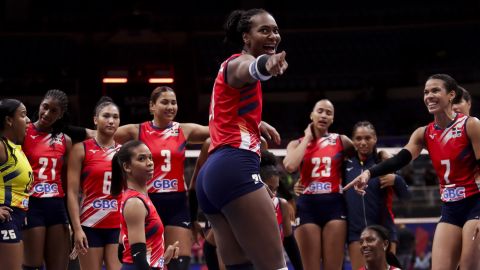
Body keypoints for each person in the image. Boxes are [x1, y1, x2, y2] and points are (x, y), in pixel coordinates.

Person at [345, 74, 480, 269]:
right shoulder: (424, 133)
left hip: (475, 204)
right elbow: (400, 159)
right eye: (426, 92)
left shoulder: (471, 125)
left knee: (469, 267)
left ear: (451, 95)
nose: (429, 96)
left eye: (435, 90)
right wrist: (368, 174)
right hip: (450, 207)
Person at [195, 8, 288, 270]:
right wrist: (265, 65)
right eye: (264, 30)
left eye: (276, 30)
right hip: (235, 168)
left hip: (211, 177)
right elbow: (251, 68)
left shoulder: (226, 70)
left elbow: (226, 111)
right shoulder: (238, 62)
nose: (273, 36)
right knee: (275, 266)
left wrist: (255, 122)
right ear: (246, 37)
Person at [114, 86, 209, 270]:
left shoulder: (184, 130)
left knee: (179, 264)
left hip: (177, 203)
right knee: (144, 262)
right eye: (164, 102)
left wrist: (254, 124)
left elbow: (218, 131)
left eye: (173, 102)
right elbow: (101, 135)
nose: (170, 106)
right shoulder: (137, 130)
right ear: (152, 106)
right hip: (147, 203)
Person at [283, 99, 353, 270]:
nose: (324, 115)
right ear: (311, 115)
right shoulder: (297, 143)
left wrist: (382, 155)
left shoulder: (341, 141)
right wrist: (307, 137)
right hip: (307, 207)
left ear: (333, 119)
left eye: (329, 113)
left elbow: (365, 156)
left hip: (335, 206)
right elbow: (290, 166)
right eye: (320, 111)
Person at [344, 121, 411, 270]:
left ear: (375, 139)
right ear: (353, 141)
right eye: (358, 138)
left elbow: (407, 197)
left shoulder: (385, 162)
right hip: (356, 235)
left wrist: (396, 179)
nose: (363, 142)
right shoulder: (345, 165)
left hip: (385, 231)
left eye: (368, 138)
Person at [67, 97, 122, 270]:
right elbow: (71, 192)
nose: (111, 120)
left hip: (117, 225)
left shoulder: (125, 152)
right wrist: (76, 229)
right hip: (90, 225)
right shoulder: (80, 149)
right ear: (95, 119)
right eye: (106, 116)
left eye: (115, 116)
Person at [110, 140, 180, 270]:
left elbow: (123, 253)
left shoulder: (139, 199)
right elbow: (139, 261)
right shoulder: (135, 203)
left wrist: (164, 258)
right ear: (127, 167)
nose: (150, 163)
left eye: (150, 157)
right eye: (142, 159)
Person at [22, 90, 72, 270]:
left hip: (56, 205)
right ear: (40, 105)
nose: (47, 114)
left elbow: (67, 179)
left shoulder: (65, 140)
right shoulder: (23, 131)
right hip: (31, 203)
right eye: (45, 107)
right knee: (32, 264)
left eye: (54, 111)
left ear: (60, 115)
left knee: (58, 266)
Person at [0, 99, 33, 270]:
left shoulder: (15, 148)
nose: (28, 120)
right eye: (23, 115)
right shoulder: (1, 145)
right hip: (5, 218)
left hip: (17, 218)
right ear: (9, 120)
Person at [261, 150, 303, 270]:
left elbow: (290, 243)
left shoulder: (281, 204)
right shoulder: (243, 206)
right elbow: (210, 246)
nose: (273, 193)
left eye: (276, 189)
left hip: (278, 265)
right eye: (269, 188)